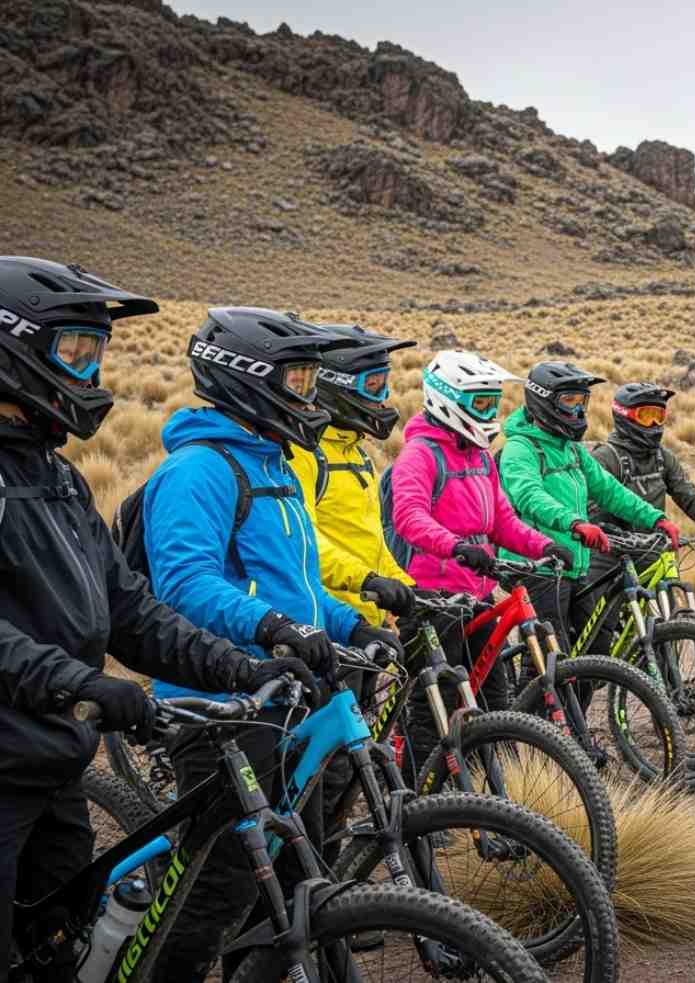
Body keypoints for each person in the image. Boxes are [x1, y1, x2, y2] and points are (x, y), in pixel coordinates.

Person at [0, 259, 310, 981]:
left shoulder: (55, 475)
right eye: (70, 350)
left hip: (54, 764)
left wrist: (245, 663)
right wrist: (82, 683)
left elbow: (132, 609)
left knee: (67, 956)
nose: (87, 369)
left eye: (93, 352)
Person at [142, 308, 403, 981]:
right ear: (248, 377)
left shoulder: (278, 466)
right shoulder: (198, 469)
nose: (309, 392)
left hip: (284, 697)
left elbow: (303, 587)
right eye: (297, 376)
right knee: (216, 890)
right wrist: (270, 627)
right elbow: (183, 583)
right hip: (220, 709)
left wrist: (350, 626)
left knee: (298, 876)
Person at [389, 351, 568, 759]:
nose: (489, 410)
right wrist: (455, 546)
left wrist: (543, 544)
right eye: (480, 402)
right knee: (431, 706)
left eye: (492, 400)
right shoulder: (420, 454)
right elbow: (409, 516)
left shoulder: (481, 455)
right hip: (432, 598)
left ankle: (501, 791)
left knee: (493, 694)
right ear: (446, 399)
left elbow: (502, 520)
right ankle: (422, 800)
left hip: (478, 594)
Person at [285, 322, 416, 860]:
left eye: (385, 385)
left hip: (362, 627)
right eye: (372, 386)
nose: (382, 399)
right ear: (337, 384)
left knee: (350, 764)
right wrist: (365, 582)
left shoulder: (356, 453)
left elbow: (372, 542)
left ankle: (329, 886)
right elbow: (306, 543)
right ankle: (309, 888)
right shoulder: (306, 454)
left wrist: (405, 587)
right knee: (324, 769)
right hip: (323, 624)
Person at [497, 362, 677, 654]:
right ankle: (539, 699)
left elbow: (608, 490)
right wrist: (574, 523)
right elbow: (528, 495)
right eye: (569, 401)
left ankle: (572, 699)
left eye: (583, 402)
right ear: (543, 400)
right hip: (537, 567)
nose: (579, 411)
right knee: (553, 657)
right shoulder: (522, 448)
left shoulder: (570, 448)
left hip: (573, 565)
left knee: (594, 649)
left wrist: (655, 518)